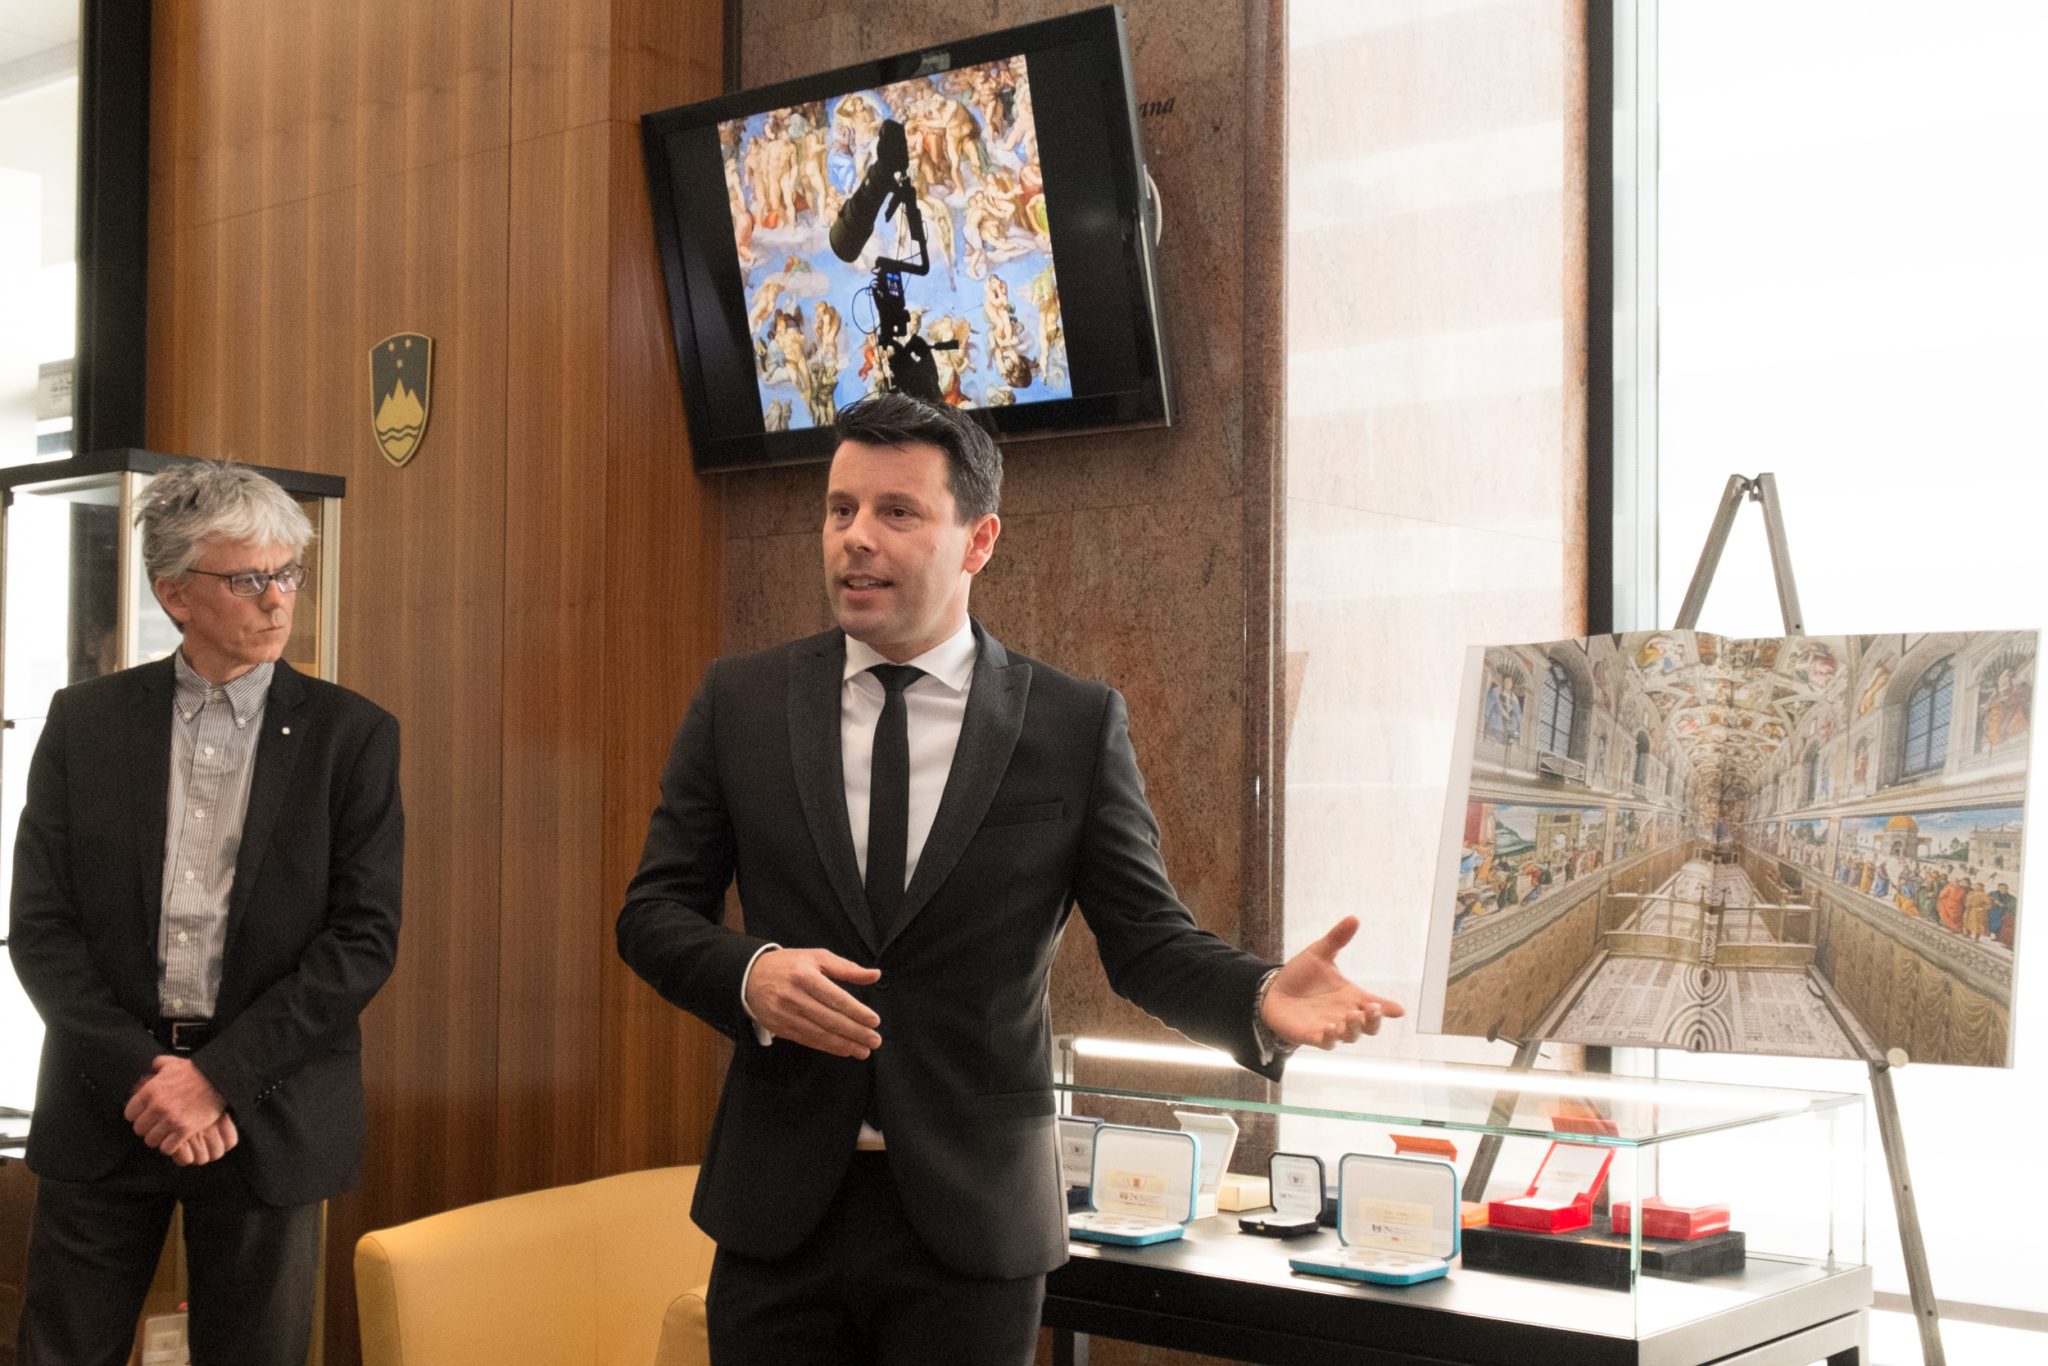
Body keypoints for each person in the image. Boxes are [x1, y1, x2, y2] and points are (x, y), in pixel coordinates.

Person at [617, 393, 1400, 1366]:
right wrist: (750, 975)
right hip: (777, 1216)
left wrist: (1257, 996)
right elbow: (653, 912)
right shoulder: (739, 703)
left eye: (896, 512)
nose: (856, 537)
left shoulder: (1072, 726)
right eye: (840, 509)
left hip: (974, 1226)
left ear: (978, 540)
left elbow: (1146, 941)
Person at [9, 462, 404, 1366]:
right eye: (249, 578)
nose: (278, 600)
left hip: (269, 1105)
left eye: (288, 574)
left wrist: (217, 1078)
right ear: (174, 593)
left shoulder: (353, 736)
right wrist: (148, 1078)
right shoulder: (84, 722)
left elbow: (362, 942)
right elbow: (41, 928)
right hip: (105, 1097)